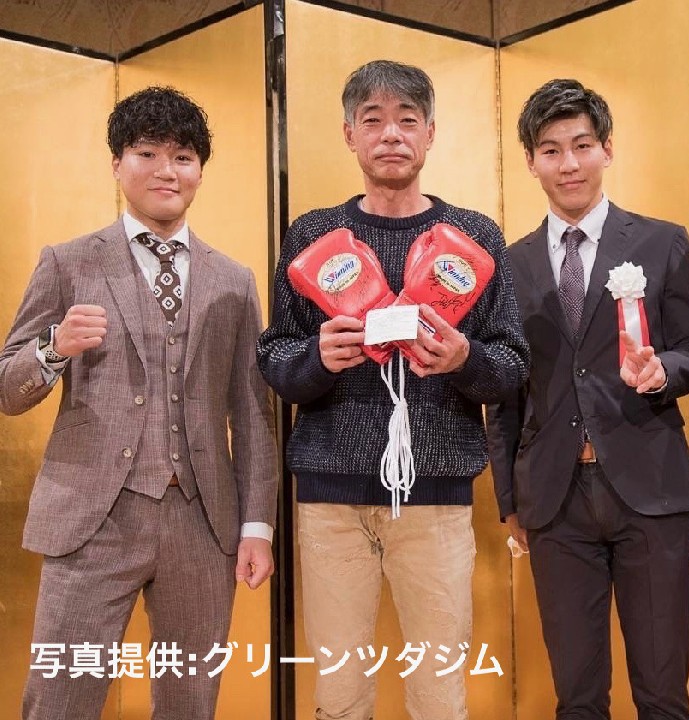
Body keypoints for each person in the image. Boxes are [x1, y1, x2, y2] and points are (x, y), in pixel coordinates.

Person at [256, 59, 529, 720]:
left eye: (408, 120)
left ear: (430, 133)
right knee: (339, 692)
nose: (391, 135)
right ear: (349, 134)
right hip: (330, 499)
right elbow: (275, 358)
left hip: (436, 496)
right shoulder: (315, 236)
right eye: (372, 120)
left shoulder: (474, 238)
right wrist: (319, 358)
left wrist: (464, 358)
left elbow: (512, 364)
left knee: (439, 694)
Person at [0, 86, 278, 720]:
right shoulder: (68, 263)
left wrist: (256, 527)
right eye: (147, 153)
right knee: (60, 699)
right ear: (117, 163)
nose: (165, 170)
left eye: (182, 157)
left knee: (190, 702)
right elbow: (7, 389)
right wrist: (53, 346)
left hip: (203, 521)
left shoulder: (233, 280)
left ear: (199, 170)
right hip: (90, 518)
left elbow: (252, 414)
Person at [486, 78, 689, 720]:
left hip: (651, 492)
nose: (569, 164)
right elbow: (505, 395)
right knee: (578, 695)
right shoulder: (510, 264)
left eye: (582, 145)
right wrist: (510, 500)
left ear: (607, 149)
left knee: (663, 692)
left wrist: (663, 370)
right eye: (551, 150)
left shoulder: (661, 242)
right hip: (554, 501)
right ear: (531, 161)